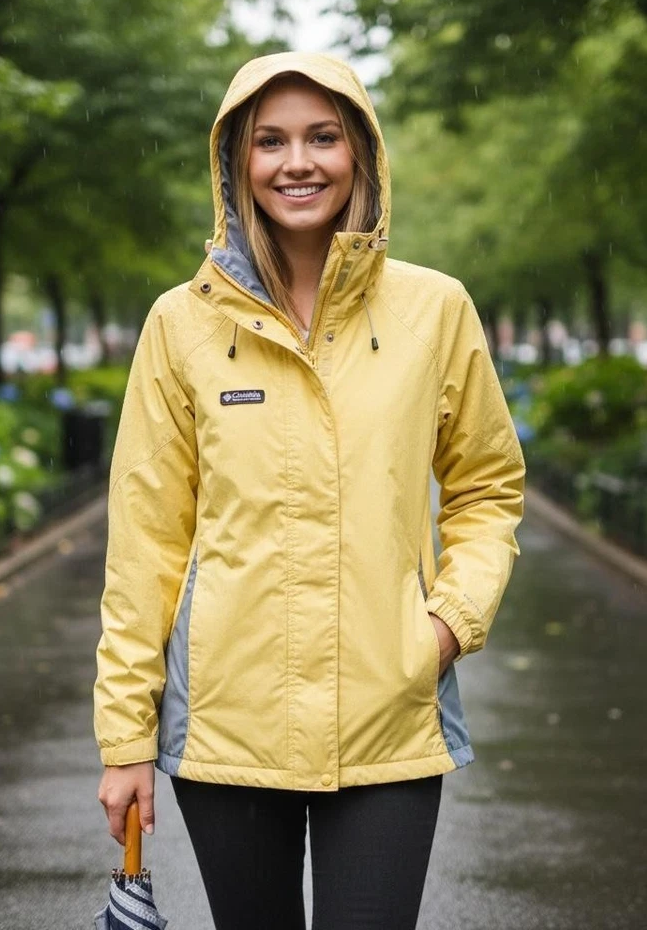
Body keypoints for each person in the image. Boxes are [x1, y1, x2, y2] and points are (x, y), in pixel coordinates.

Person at [94, 51, 525, 930]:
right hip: (228, 726)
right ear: (236, 162)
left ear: (360, 152)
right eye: (272, 141)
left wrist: (445, 627)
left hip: (390, 715)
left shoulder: (435, 310)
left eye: (323, 137)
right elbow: (145, 542)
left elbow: (487, 488)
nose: (298, 162)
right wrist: (126, 738)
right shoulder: (181, 324)